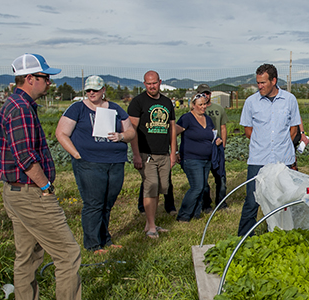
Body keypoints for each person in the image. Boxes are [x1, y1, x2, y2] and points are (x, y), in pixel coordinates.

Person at [0, 53, 81, 299]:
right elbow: (25, 157)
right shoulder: (21, 109)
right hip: (31, 192)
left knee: (28, 256)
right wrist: (45, 187)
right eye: (46, 77)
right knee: (68, 254)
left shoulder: (14, 104)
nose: (50, 83)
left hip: (15, 191)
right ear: (30, 78)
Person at [54, 75, 135, 254]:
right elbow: (61, 133)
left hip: (114, 163)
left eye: (95, 90)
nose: (91, 93)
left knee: (108, 202)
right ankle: (92, 244)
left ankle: (105, 239)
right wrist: (77, 155)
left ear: (103, 90)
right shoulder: (77, 108)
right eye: (88, 90)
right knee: (93, 203)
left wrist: (121, 136)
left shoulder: (115, 108)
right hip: (89, 163)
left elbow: (130, 131)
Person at [238, 63, 302, 236]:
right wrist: (264, 143)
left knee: (284, 200)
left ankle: (283, 234)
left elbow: (294, 128)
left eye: (263, 82)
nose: (259, 86)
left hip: (283, 160)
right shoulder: (251, 102)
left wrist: (281, 145)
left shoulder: (289, 100)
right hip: (258, 159)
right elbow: (248, 130)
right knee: (252, 201)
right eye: (258, 82)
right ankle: (243, 238)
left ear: (274, 81)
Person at [128, 70, 177, 238]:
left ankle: (151, 223)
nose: (152, 86)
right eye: (148, 84)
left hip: (163, 153)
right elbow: (131, 130)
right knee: (151, 187)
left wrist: (173, 152)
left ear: (160, 82)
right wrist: (136, 154)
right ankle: (151, 228)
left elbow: (172, 129)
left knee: (161, 188)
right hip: (146, 153)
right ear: (144, 84)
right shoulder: (137, 102)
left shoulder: (167, 102)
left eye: (154, 83)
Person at [174, 93, 217, 222]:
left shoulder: (208, 119)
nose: (203, 107)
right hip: (191, 158)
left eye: (205, 104)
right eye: (200, 104)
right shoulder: (186, 118)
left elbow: (212, 135)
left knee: (203, 186)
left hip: (206, 159)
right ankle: (184, 215)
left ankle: (195, 214)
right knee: (197, 187)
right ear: (193, 105)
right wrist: (175, 151)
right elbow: (173, 133)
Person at [199, 84, 228, 211]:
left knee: (221, 177)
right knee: (203, 179)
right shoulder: (196, 110)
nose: (206, 96)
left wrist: (223, 145)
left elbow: (223, 127)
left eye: (208, 93)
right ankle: (206, 204)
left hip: (217, 147)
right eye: (203, 94)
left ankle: (221, 203)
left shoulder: (219, 108)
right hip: (203, 148)